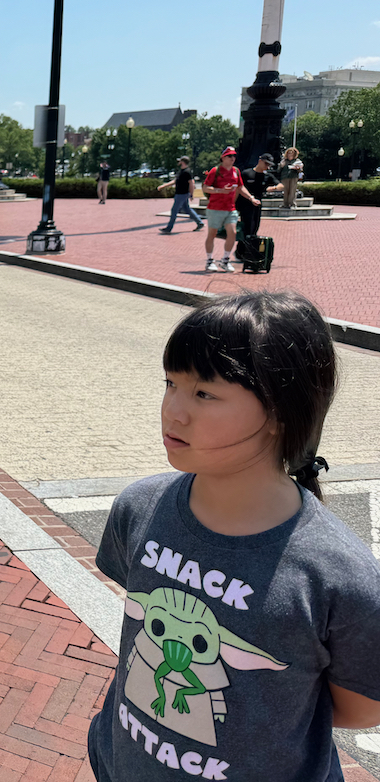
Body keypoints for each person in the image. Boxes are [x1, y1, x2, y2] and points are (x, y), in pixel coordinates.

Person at [86, 291, 380, 782]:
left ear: (280, 412)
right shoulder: (139, 507)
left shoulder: (338, 574)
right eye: (171, 383)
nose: (174, 411)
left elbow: (361, 708)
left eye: (205, 393)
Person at [200, 147, 258, 273]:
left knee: (232, 233)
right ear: (223, 158)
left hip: (230, 208)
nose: (233, 158)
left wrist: (251, 198)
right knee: (212, 234)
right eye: (230, 156)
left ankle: (225, 260)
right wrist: (220, 191)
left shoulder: (236, 171)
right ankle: (209, 260)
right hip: (215, 208)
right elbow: (205, 188)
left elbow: (240, 187)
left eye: (234, 156)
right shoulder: (215, 171)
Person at [156, 157, 203, 234]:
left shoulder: (187, 172)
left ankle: (169, 228)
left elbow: (191, 183)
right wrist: (163, 186)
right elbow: (175, 181)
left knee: (174, 210)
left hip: (182, 194)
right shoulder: (181, 171)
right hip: (179, 194)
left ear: (183, 162)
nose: (178, 162)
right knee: (187, 209)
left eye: (180, 161)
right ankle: (199, 223)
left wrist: (191, 194)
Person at [237, 152, 276, 239]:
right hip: (245, 204)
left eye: (269, 165)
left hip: (257, 204)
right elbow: (239, 188)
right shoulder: (246, 173)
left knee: (255, 227)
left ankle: (250, 244)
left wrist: (274, 188)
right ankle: (244, 246)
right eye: (266, 164)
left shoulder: (266, 176)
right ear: (260, 161)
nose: (267, 167)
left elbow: (281, 185)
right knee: (246, 229)